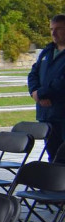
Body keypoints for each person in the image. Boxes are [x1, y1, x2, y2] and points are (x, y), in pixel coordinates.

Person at [28, 13, 65, 160]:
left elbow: (61, 82)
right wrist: (34, 92)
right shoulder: (47, 51)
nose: (53, 33)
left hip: (62, 113)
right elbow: (33, 74)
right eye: (51, 29)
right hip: (46, 114)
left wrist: (42, 93)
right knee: (53, 155)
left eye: (59, 29)